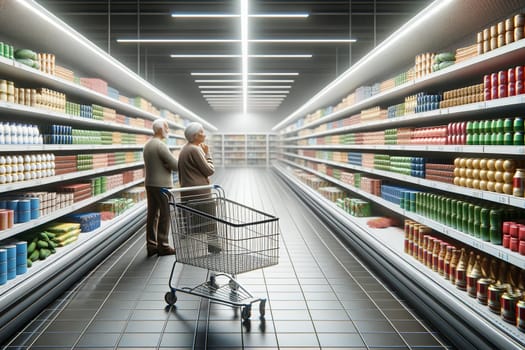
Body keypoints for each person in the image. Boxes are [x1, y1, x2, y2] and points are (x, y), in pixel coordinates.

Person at [178, 122, 220, 253]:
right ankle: (214, 247)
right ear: (195, 135)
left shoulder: (185, 148)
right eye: (202, 132)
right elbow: (209, 170)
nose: (204, 134)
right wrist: (208, 154)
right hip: (200, 192)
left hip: (188, 192)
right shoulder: (195, 149)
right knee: (210, 220)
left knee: (196, 222)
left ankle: (196, 249)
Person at [143, 119, 178, 256]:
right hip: (162, 185)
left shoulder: (148, 144)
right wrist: (169, 164)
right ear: (159, 129)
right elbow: (175, 165)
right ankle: (163, 246)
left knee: (152, 215)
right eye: (167, 127)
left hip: (150, 183)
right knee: (165, 215)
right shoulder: (161, 145)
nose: (168, 130)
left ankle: (151, 245)